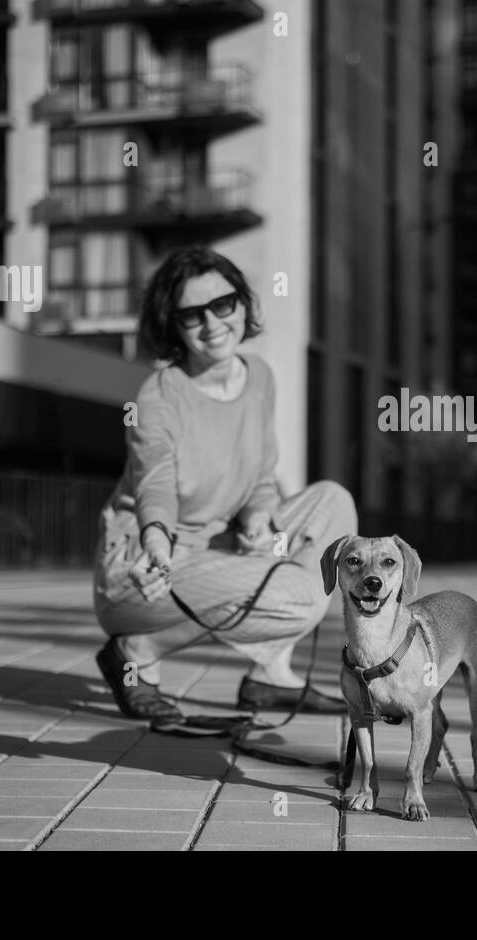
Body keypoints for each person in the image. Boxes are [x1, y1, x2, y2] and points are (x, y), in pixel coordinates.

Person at [91, 246, 356, 720]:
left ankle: (270, 675)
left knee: (333, 503)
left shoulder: (259, 377)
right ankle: (137, 649)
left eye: (223, 305)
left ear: (242, 303)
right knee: (298, 594)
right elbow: (156, 484)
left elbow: (259, 477)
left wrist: (257, 518)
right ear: (172, 325)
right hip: (147, 567)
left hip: (217, 552)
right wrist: (156, 540)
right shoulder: (157, 397)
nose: (212, 324)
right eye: (192, 315)